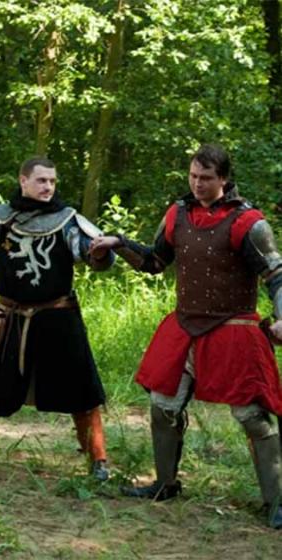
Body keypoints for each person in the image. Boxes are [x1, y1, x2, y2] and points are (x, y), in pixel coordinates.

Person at [90, 144, 282, 529]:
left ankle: (277, 500)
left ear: (224, 179)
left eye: (206, 178)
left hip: (233, 330)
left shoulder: (249, 223)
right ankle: (165, 484)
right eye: (193, 176)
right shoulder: (177, 215)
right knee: (163, 405)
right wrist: (120, 243)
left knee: (253, 418)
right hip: (185, 327)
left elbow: (276, 276)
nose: (197, 184)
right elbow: (154, 262)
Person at [0, 157, 114, 480]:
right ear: (23, 181)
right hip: (9, 319)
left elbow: (90, 252)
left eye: (52, 181)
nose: (48, 187)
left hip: (59, 319)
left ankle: (98, 462)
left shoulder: (67, 221)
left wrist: (98, 251)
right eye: (41, 180)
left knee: (82, 392)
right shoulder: (1, 220)